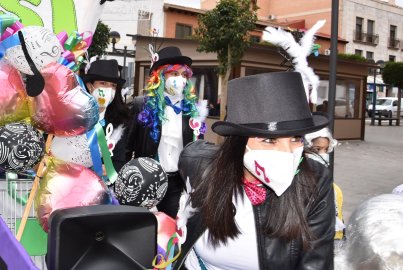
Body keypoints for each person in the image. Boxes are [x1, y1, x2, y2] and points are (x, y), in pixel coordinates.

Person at [175, 72, 334, 269]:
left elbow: (317, 262)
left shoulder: (314, 183)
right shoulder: (201, 166)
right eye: (269, 140)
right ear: (239, 143)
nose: (287, 152)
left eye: (296, 138)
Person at [126, 46, 206, 218]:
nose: (181, 80)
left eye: (184, 75)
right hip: (145, 180)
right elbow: (127, 146)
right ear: (161, 76)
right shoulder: (142, 105)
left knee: (170, 230)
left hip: (177, 183)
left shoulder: (193, 111)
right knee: (144, 229)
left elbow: (198, 151)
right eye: (174, 74)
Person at [82, 59, 133, 172]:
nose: (108, 90)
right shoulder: (76, 118)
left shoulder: (119, 123)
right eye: (103, 83)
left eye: (113, 86)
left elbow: (120, 162)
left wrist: (105, 170)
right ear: (90, 86)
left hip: (104, 186)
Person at [305, 127, 345, 240]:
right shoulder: (296, 186)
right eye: (316, 149)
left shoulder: (333, 188)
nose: (323, 155)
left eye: (326, 150)